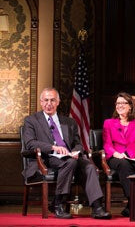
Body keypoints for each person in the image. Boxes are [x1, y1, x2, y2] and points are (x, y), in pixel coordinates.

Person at [22, 88, 111, 219]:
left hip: (70, 157)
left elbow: (78, 143)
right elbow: (30, 143)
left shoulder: (69, 122)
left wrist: (76, 151)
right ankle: (58, 204)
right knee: (70, 162)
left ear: (58, 102)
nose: (49, 103)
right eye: (46, 100)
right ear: (41, 102)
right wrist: (53, 147)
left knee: (89, 166)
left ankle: (97, 207)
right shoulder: (32, 120)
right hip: (47, 158)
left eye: (52, 100)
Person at [102, 92, 135, 217]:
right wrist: (115, 153)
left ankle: (130, 207)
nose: (120, 106)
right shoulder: (108, 123)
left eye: (123, 103)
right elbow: (107, 145)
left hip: (132, 157)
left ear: (130, 106)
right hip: (116, 158)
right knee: (124, 164)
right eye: (118, 103)